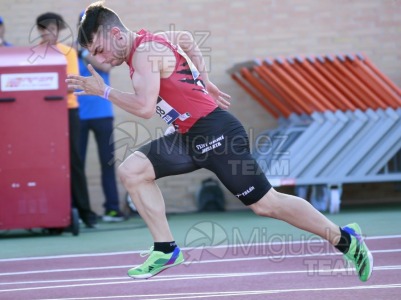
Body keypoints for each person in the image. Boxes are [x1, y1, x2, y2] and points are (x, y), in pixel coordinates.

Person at [67, 2, 373, 281]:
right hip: (188, 136)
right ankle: (165, 248)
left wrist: (104, 91)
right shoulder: (149, 43)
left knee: (267, 204)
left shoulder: (145, 53)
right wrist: (204, 80)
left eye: (98, 49)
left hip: (217, 134)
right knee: (132, 171)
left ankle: (345, 239)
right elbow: (186, 38)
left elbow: (146, 109)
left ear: (117, 34)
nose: (99, 58)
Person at [36, 12, 97, 228]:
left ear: (59, 30)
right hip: (41, 114)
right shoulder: (34, 54)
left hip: (67, 111)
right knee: (44, 162)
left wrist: (45, 87)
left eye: (53, 28)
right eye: (44, 29)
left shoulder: (68, 52)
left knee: (74, 161)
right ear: (40, 31)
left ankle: (86, 213)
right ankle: (50, 213)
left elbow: (72, 84)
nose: (49, 33)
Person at [76, 12, 124, 222]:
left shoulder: (100, 48)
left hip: (102, 113)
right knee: (77, 164)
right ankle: (79, 211)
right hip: (77, 114)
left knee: (108, 162)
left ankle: (112, 208)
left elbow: (106, 66)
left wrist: (85, 53)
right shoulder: (72, 50)